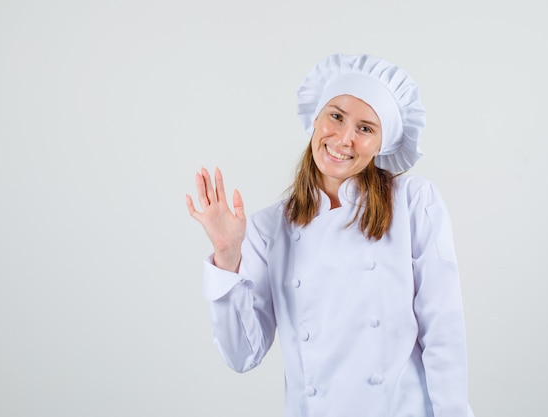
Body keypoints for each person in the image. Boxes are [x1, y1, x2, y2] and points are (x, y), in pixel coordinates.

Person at [186, 53, 475, 417]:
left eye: (366, 128)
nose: (344, 138)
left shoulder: (414, 203)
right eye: (336, 116)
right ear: (316, 119)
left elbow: (443, 330)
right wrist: (227, 254)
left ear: (382, 144)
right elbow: (242, 355)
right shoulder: (268, 228)